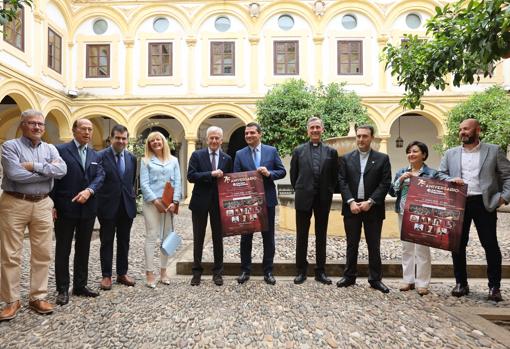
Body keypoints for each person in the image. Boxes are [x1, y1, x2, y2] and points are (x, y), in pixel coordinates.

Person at [0, 110, 67, 321]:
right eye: (32, 124)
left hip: (43, 204)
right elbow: (14, 174)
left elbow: (63, 170)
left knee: (43, 252)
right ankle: (12, 300)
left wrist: (34, 166)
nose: (37, 127)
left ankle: (37, 296)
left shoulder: (50, 148)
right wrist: (47, 171)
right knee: (10, 254)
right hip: (14, 202)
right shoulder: (10, 146)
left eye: (40, 124)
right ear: (22, 125)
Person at [439, 118, 510, 302]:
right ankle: (461, 283)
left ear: (477, 130)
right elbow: (441, 174)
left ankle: (494, 287)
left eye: (467, 129)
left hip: (484, 203)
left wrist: (503, 197)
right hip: (458, 202)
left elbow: (507, 175)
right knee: (458, 245)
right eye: (461, 129)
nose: (463, 132)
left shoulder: (493, 150)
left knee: (490, 245)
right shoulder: (450, 153)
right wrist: (450, 180)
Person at [52, 118, 105, 305]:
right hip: (65, 208)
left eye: (90, 129)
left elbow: (100, 176)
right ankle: (62, 289)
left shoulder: (95, 155)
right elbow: (53, 180)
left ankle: (80, 285)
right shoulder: (60, 151)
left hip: (88, 209)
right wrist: (52, 204)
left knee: (83, 248)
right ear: (74, 130)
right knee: (63, 249)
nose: (88, 132)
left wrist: (89, 190)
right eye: (83, 128)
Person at [337, 125, 391, 293]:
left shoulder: (382, 158)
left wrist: (371, 201)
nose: (361, 139)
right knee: (351, 244)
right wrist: (351, 201)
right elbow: (342, 181)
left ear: (371, 138)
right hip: (351, 208)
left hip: (372, 208)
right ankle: (349, 276)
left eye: (365, 136)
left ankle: (375, 279)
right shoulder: (346, 158)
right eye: (359, 136)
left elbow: (385, 183)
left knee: (373, 245)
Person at [234, 122, 286, 285]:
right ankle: (245, 270)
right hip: (247, 202)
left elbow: (282, 171)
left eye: (252, 133)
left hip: (267, 201)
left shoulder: (271, 151)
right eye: (246, 133)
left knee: (268, 237)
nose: (248, 136)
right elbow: (235, 177)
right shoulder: (239, 154)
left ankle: (268, 271)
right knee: (246, 238)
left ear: (259, 134)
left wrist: (269, 173)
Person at [290, 117, 338, 285]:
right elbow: (294, 175)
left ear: (322, 129)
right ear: (308, 131)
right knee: (301, 235)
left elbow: (334, 177)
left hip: (323, 199)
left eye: (318, 127)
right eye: (312, 128)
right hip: (304, 198)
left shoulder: (331, 152)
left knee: (321, 235)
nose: (315, 130)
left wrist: (329, 191)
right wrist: (301, 190)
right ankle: (301, 271)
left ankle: (320, 271)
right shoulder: (298, 150)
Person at [389, 141, 440, 296]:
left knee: (422, 248)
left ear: (423, 155)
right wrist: (401, 179)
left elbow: (438, 192)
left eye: (415, 151)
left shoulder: (432, 173)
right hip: (404, 213)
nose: (411, 154)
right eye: (409, 152)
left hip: (423, 215)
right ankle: (408, 280)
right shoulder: (402, 171)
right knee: (407, 248)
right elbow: (392, 192)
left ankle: (423, 283)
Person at [187, 126, 233, 286]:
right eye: (211, 138)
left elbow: (229, 180)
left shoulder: (227, 158)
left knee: (218, 239)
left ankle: (218, 273)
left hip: (219, 204)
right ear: (207, 140)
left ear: (221, 140)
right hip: (200, 202)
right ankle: (196, 272)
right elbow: (191, 176)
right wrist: (210, 174)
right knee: (198, 238)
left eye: (217, 138)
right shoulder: (197, 155)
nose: (214, 141)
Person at [97, 124, 137, 290]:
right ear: (111, 139)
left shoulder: (132, 158)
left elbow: (131, 181)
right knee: (106, 241)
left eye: (124, 138)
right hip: (107, 206)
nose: (121, 141)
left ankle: (122, 273)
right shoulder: (100, 156)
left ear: (127, 139)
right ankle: (106, 275)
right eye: (118, 138)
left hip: (126, 206)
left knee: (124, 241)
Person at [140, 131, 181, 288]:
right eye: (152, 141)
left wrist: (175, 202)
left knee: (166, 238)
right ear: (149, 145)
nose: (155, 142)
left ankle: (163, 272)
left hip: (169, 204)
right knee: (151, 237)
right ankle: (150, 273)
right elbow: (144, 184)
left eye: (158, 140)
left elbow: (178, 182)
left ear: (163, 142)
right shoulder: (145, 161)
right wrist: (155, 201)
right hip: (152, 204)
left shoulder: (174, 160)